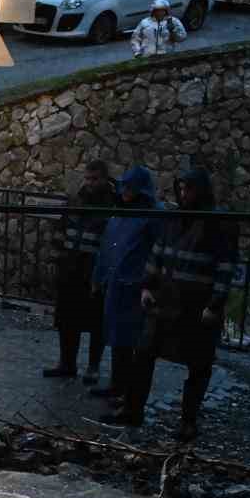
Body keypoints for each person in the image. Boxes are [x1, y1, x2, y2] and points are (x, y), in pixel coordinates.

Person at [134, 169, 237, 442]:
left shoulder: (218, 224)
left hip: (196, 307)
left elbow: (225, 269)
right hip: (166, 302)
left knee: (198, 365)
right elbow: (157, 253)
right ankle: (134, 410)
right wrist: (147, 285)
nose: (183, 194)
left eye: (188, 189)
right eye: (180, 188)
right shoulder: (173, 220)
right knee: (144, 354)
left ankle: (188, 422)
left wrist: (215, 305)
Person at [91, 165, 162, 427]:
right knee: (116, 337)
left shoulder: (152, 216)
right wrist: (98, 277)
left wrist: (151, 283)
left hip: (136, 287)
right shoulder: (120, 213)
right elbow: (108, 247)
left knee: (133, 342)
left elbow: (158, 250)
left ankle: (128, 393)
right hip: (116, 284)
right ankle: (117, 384)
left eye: (130, 187)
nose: (125, 192)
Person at [45, 159, 115, 381]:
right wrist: (56, 261)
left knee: (96, 322)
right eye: (88, 178)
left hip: (94, 272)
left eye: (95, 179)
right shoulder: (75, 200)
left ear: (104, 179)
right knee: (66, 319)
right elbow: (61, 230)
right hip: (70, 268)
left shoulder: (113, 205)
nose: (90, 183)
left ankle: (93, 367)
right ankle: (67, 363)